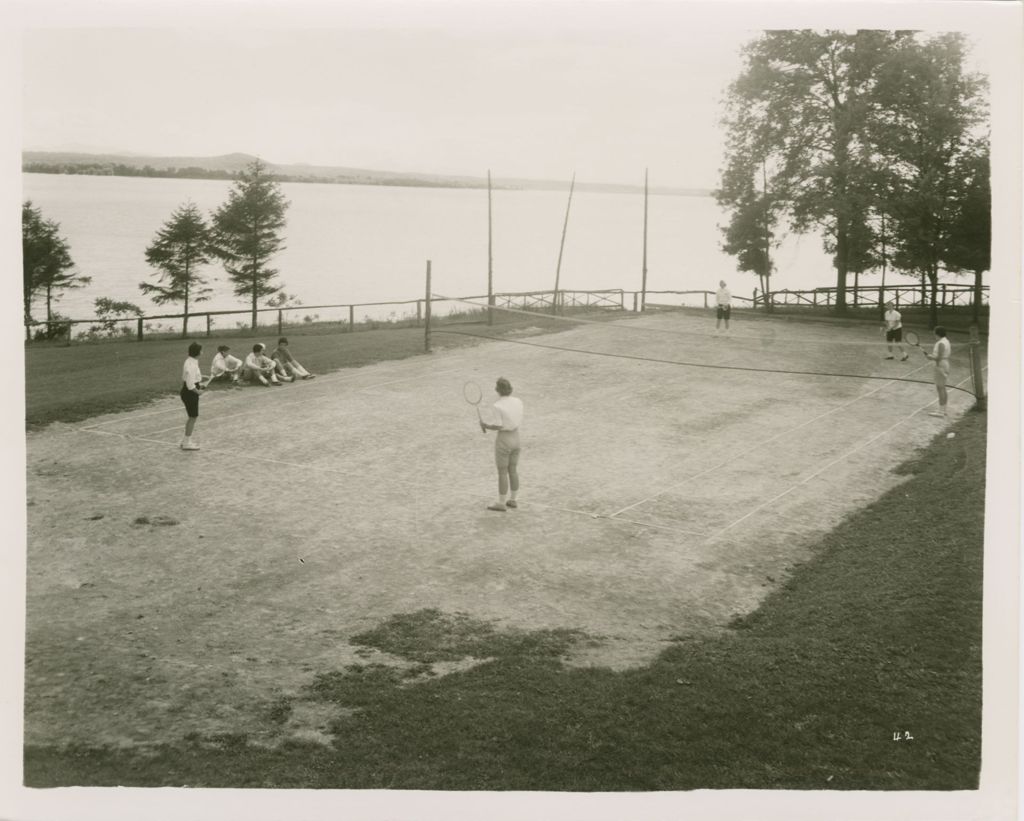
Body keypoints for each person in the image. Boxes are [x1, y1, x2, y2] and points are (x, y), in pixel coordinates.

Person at [479, 377, 523, 512]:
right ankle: (514, 499)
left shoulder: (497, 405)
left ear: (497, 390)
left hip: (504, 440)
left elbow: (498, 425)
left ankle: (501, 502)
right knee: (513, 470)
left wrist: (485, 425)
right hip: (516, 437)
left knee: (502, 472)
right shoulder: (518, 401)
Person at [180, 341, 205, 451]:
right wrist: (197, 391)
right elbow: (190, 383)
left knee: (192, 417)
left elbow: (193, 378)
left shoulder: (192, 361)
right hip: (189, 392)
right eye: (201, 350)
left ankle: (185, 441)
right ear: (198, 352)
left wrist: (200, 383)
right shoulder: (191, 364)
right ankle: (187, 443)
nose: (202, 352)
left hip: (190, 390)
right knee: (193, 417)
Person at [923, 326, 952, 418]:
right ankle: (943, 410)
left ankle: (941, 412)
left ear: (937, 333)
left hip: (940, 365)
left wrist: (929, 357)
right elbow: (940, 356)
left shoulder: (941, 343)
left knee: (940, 388)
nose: (933, 334)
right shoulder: (945, 341)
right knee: (942, 388)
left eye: (934, 332)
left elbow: (938, 357)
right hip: (944, 364)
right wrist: (932, 356)